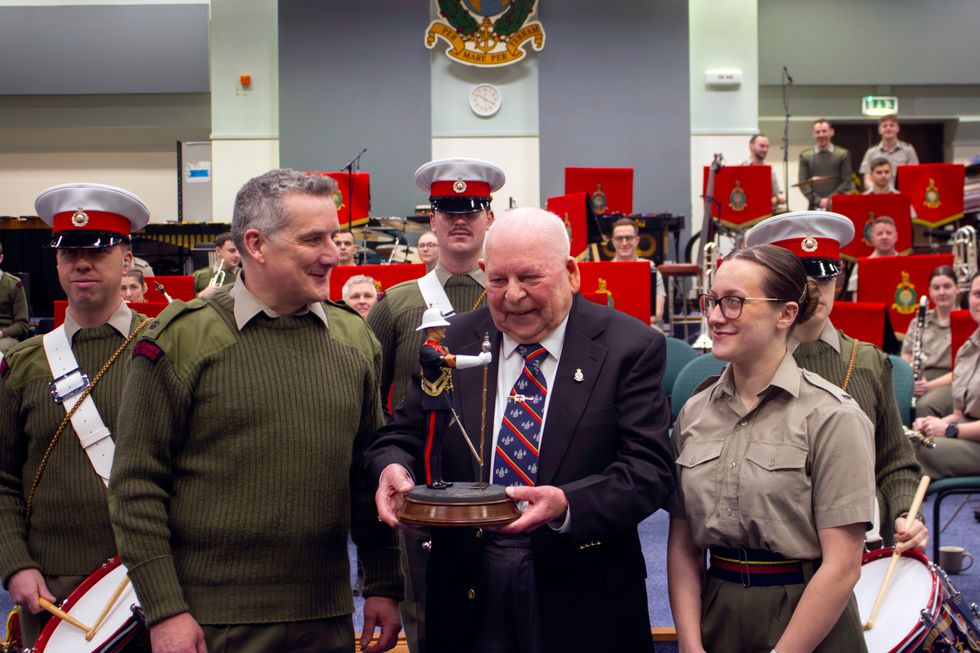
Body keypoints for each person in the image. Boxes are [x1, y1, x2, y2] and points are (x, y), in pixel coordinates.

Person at [108, 169, 402, 653]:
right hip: (212, 622)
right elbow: (137, 486)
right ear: (256, 244)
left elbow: (368, 474)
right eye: (313, 239)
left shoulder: (354, 339)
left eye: (334, 236)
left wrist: (386, 582)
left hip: (325, 616)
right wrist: (165, 610)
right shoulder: (181, 340)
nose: (333, 253)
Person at [367, 207, 675, 653]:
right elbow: (402, 435)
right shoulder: (451, 342)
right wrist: (392, 467)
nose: (512, 296)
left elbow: (649, 470)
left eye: (530, 278)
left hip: (581, 584)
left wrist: (568, 503)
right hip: (466, 582)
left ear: (571, 273)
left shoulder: (630, 347)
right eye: (497, 280)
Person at [668, 243, 875, 653]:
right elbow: (683, 546)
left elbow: (842, 566)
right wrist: (691, 645)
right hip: (718, 610)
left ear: (786, 314)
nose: (713, 317)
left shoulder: (832, 415)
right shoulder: (693, 413)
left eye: (734, 303)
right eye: (711, 301)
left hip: (807, 615)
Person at [0, 182, 151, 648]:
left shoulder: (168, 347)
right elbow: (2, 475)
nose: (81, 262)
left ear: (126, 259)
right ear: (57, 261)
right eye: (69, 252)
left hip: (154, 575)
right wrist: (15, 564)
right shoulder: (25, 363)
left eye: (98, 250)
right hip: (52, 584)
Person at [365, 157, 504, 653]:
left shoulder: (512, 297)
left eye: (471, 208)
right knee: (431, 624)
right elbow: (372, 407)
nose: (460, 220)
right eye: (448, 210)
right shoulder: (397, 306)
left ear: (489, 216)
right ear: (433, 219)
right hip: (424, 493)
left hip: (504, 488)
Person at [746, 212, 928, 552]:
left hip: (862, 542)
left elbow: (895, 462)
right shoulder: (751, 363)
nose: (814, 291)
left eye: (824, 278)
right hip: (778, 548)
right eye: (800, 279)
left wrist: (907, 513)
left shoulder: (868, 362)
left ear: (837, 282)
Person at [413, 306, 491, 488]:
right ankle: (432, 479)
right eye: (440, 327)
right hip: (433, 400)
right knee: (432, 444)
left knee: (439, 444)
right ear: (431, 329)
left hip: (444, 400)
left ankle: (438, 478)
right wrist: (478, 361)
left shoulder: (441, 348)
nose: (444, 330)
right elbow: (450, 361)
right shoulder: (427, 351)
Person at [912, 272, 980, 480]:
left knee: (913, 452)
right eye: (977, 294)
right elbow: (960, 414)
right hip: (969, 437)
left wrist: (948, 430)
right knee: (907, 441)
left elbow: (956, 425)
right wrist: (931, 424)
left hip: (970, 441)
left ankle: (903, 512)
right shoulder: (968, 348)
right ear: (968, 298)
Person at [902, 266, 957, 418]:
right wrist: (910, 379)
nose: (942, 292)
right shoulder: (918, 321)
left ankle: (922, 441)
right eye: (936, 287)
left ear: (957, 289)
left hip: (950, 381)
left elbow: (964, 370)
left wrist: (928, 386)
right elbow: (906, 354)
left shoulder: (966, 321)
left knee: (924, 405)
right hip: (918, 380)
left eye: (947, 286)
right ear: (930, 291)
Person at [610, 217, 666, 326]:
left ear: (637, 240)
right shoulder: (603, 272)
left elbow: (658, 315)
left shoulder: (651, 269)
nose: (624, 243)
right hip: (613, 329)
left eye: (629, 238)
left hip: (645, 328)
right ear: (613, 241)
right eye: (619, 238)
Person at [799, 119, 854, 210]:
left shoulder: (843, 154)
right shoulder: (805, 156)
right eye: (817, 132)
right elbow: (803, 183)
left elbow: (847, 181)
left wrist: (830, 199)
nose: (821, 135)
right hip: (814, 207)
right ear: (813, 134)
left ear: (831, 132)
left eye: (824, 131)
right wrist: (818, 200)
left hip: (837, 206)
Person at [846, 216, 902, 299]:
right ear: (871, 238)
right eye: (880, 233)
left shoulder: (906, 264)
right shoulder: (861, 266)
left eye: (889, 233)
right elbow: (856, 299)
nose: (884, 237)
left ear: (896, 236)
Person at [859, 115, 919, 190]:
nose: (888, 128)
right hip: (878, 197)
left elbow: (915, 177)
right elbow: (867, 179)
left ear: (898, 129)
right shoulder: (871, 152)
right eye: (884, 126)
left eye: (892, 125)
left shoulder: (908, 150)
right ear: (879, 131)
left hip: (902, 196)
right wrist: (878, 192)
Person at [741, 133, 786, 211]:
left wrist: (779, 198)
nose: (765, 150)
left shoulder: (770, 171)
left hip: (766, 215)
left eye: (767, 147)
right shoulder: (741, 168)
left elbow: (778, 194)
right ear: (751, 146)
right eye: (762, 146)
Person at [0, 242, 29, 356]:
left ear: (1, 258)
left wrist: (2, 333)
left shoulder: (13, 284)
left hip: (5, 337)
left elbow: (22, 324)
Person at [192, 232, 240, 297]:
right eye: (232, 251)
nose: (237, 255)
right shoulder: (199, 275)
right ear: (218, 251)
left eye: (239, 251)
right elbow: (184, 302)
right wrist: (200, 295)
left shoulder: (246, 276)